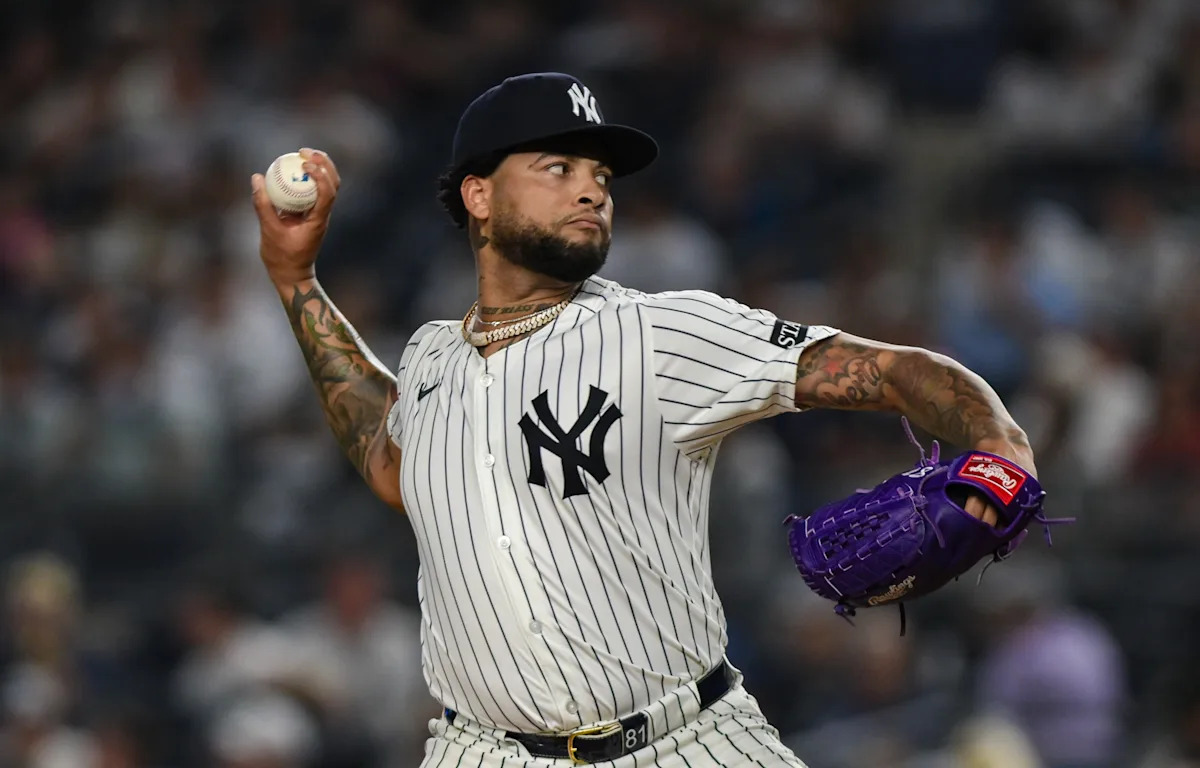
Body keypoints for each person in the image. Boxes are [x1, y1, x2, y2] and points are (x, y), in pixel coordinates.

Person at [250, 72, 1037, 767]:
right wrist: (295, 280)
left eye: (600, 175)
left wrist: (1001, 445)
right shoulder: (431, 357)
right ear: (478, 196)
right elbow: (393, 463)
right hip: (482, 751)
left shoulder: (660, 333)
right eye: (558, 168)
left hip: (683, 742)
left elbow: (892, 369)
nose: (592, 191)